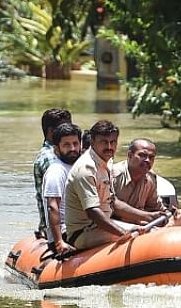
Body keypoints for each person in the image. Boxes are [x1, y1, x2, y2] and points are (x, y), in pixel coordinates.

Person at [65, 120, 168, 250]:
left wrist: (149, 216)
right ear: (92, 142)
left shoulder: (106, 163)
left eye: (113, 142)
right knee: (145, 236)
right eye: (104, 142)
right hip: (83, 232)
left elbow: (113, 202)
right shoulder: (86, 169)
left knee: (148, 229)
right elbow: (93, 212)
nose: (109, 147)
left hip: (99, 227)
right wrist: (123, 233)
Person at [39, 122, 82, 255]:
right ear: (57, 149)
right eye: (66, 145)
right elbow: (53, 206)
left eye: (75, 143)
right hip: (64, 231)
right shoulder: (56, 171)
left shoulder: (80, 167)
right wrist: (58, 242)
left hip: (79, 226)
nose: (72, 148)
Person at [32, 108, 72, 233]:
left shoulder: (64, 154)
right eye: (64, 128)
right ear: (51, 131)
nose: (69, 132)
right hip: (58, 228)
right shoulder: (49, 158)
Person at [112, 138, 166, 214]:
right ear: (130, 155)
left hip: (136, 222)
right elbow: (107, 207)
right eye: (142, 155)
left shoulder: (150, 178)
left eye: (151, 157)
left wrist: (167, 213)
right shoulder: (113, 176)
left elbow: (155, 208)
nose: (147, 160)